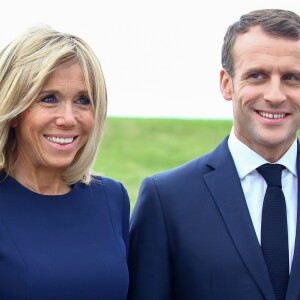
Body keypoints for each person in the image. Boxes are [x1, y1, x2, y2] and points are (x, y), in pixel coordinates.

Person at [128, 9, 300, 300]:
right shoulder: (166, 200)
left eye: (292, 78)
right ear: (226, 83)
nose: (275, 95)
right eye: (256, 75)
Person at [0, 26, 129, 299]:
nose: (69, 118)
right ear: (13, 110)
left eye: (83, 100)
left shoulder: (111, 198)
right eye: (49, 99)